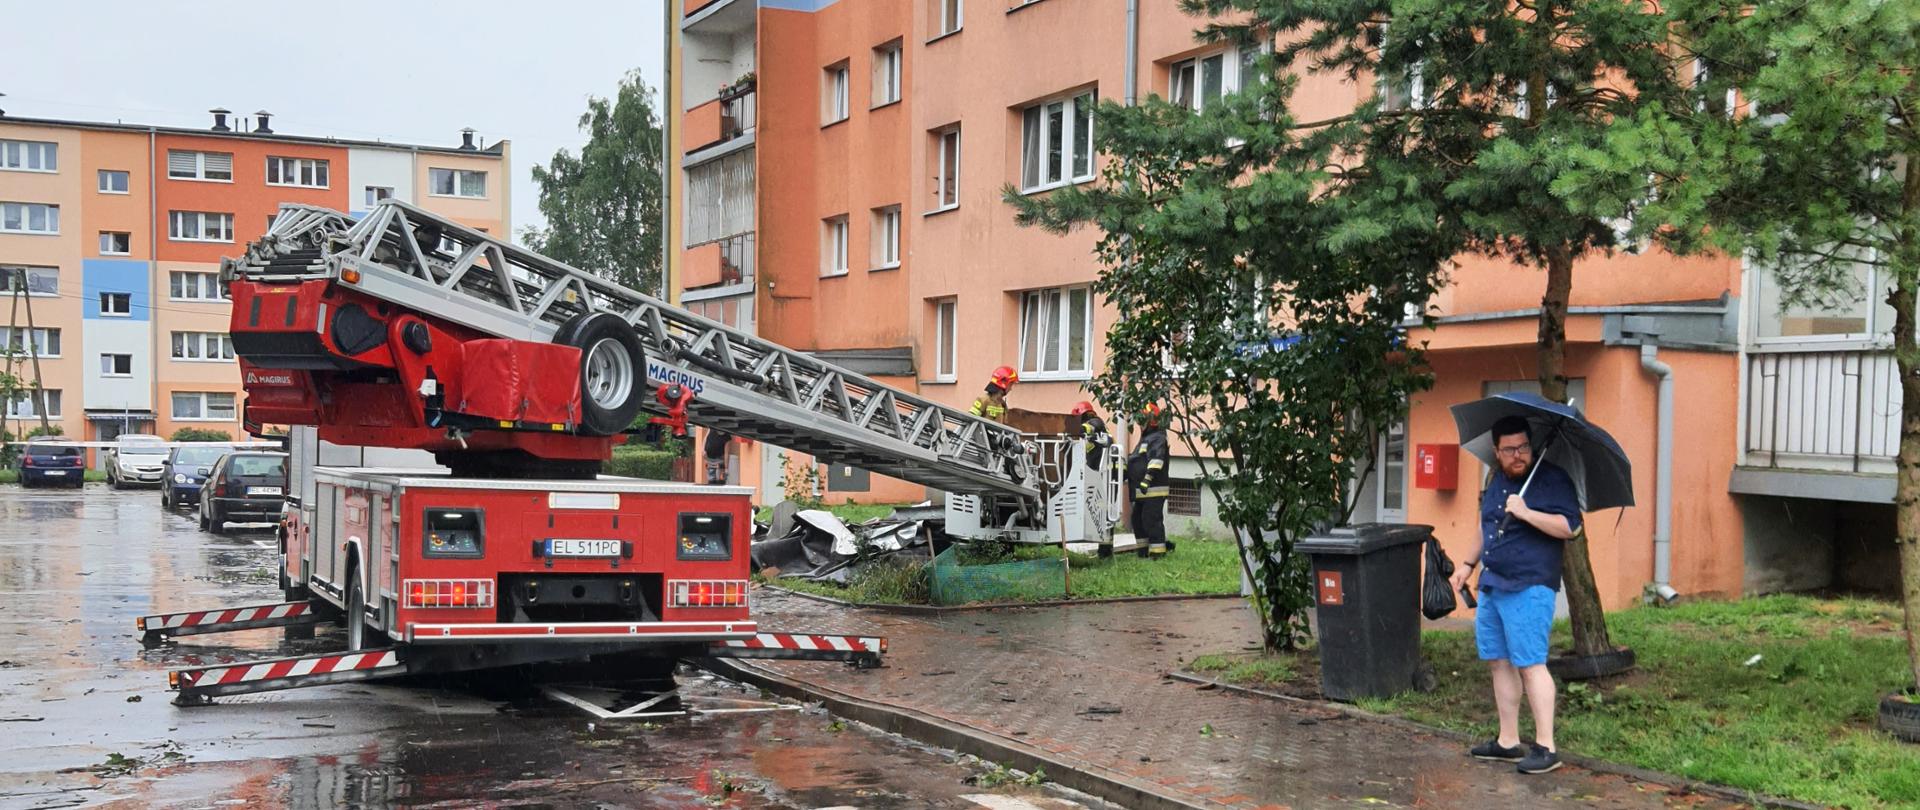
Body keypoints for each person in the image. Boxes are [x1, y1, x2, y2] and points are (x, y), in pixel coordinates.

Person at [1448, 415, 1583, 775]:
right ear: (1497, 451)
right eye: (1509, 449)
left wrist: (1527, 513)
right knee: (1499, 661)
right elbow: (1486, 526)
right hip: (1493, 584)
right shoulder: (1496, 479)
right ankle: (1508, 741)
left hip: (1529, 585)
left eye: (1523, 446)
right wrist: (1467, 565)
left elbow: (1570, 527)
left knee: (1530, 663)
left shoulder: (1551, 479)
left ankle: (1546, 746)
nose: (1518, 455)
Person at [1125, 403, 1171, 558]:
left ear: (1151, 421)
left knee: (1151, 520)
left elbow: (1156, 461)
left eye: (1143, 420)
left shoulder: (1158, 438)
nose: (1140, 424)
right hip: (1142, 490)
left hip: (1153, 489)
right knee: (1137, 520)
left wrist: (1147, 479)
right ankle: (1143, 551)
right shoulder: (1146, 438)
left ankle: (1158, 553)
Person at [1070, 401, 1112, 471]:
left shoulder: (1093, 423)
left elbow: (1086, 428)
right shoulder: (1099, 423)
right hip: (1105, 464)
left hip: (1101, 466)